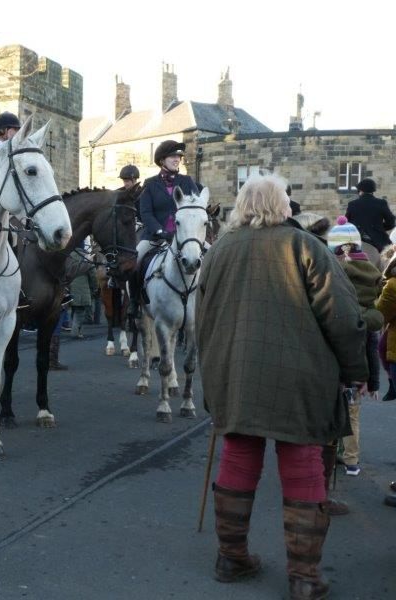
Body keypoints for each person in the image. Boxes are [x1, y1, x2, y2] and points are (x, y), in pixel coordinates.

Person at [195, 174, 367, 599]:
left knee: (239, 455)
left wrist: (213, 375)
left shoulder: (218, 252)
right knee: (302, 462)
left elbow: (203, 320)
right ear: (283, 206)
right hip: (301, 378)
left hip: (236, 373)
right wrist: (355, 371)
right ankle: (304, 578)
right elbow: (343, 318)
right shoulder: (306, 247)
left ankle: (231, 557)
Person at [327, 216, 383, 480]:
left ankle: (329, 457)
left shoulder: (331, 274)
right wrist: (372, 381)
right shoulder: (370, 274)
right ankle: (351, 461)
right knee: (352, 413)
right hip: (357, 365)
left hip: (332, 363)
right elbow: (372, 340)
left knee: (329, 411)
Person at [128, 141, 198, 317]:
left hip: (185, 237)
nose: (177, 159)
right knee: (135, 262)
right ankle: (134, 303)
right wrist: (160, 231)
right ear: (162, 160)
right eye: (173, 156)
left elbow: (198, 207)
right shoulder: (150, 184)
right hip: (155, 237)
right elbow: (145, 212)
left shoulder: (187, 182)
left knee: (211, 255)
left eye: (179, 156)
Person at [345, 178, 395, 253]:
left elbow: (346, 224)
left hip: (358, 242)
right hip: (379, 242)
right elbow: (391, 222)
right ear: (372, 191)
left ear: (361, 191)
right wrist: (379, 228)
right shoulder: (381, 203)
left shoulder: (352, 204)